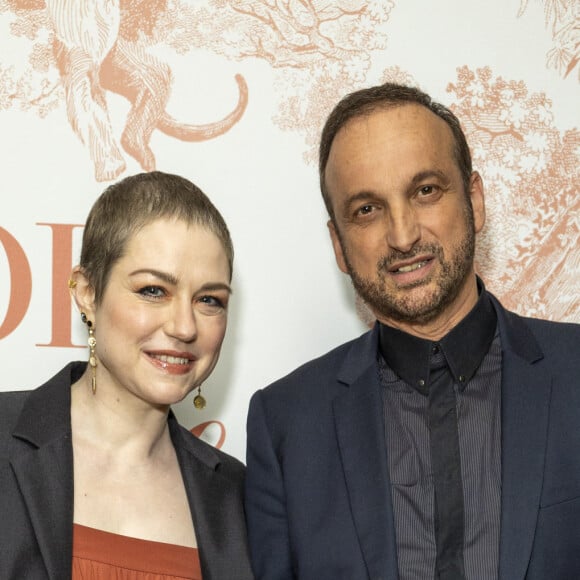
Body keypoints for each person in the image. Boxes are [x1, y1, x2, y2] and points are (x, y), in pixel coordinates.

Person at [244, 83, 580, 580]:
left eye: (425, 191)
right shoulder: (287, 425)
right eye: (366, 210)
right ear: (338, 243)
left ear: (475, 201)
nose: (403, 236)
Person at [0, 171, 254, 579]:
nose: (185, 327)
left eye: (209, 300)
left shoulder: (237, 496)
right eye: (153, 291)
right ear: (86, 292)